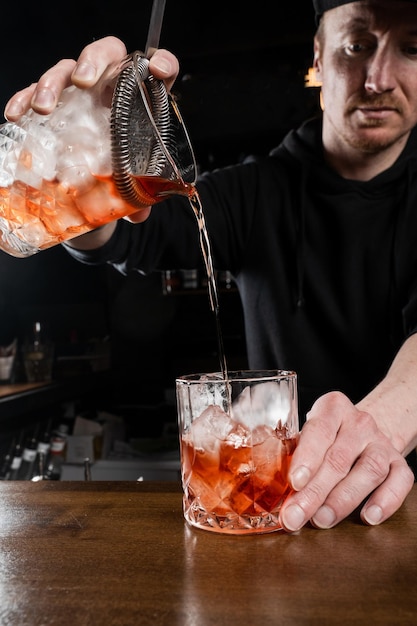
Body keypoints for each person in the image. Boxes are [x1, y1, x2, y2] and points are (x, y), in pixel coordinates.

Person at [5, 0, 417, 532]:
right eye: (357, 46)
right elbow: (140, 236)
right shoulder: (256, 192)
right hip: (275, 518)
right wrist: (82, 166)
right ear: (318, 52)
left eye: (412, 48)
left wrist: (383, 422)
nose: (379, 78)